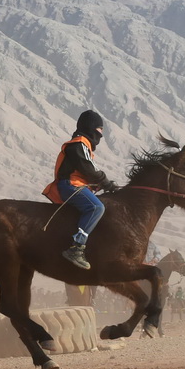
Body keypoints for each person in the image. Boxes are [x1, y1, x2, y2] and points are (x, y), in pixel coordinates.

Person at [42, 110, 120, 270]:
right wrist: (107, 184)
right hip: (70, 186)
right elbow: (89, 170)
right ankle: (76, 248)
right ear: (91, 128)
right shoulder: (79, 144)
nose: (100, 136)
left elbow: (87, 173)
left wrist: (99, 184)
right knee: (97, 207)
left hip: (77, 185)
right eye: (99, 130)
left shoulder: (83, 146)